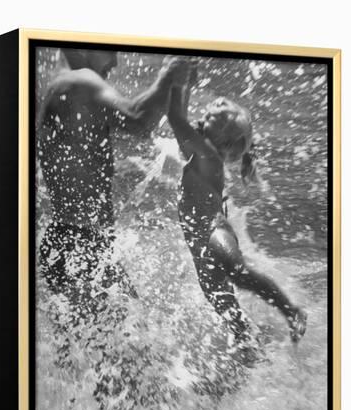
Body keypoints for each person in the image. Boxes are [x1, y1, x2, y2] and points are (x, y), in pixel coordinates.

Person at [37, 49, 188, 316]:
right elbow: (139, 120)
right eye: (110, 52)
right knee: (126, 344)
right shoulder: (81, 81)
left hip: (70, 242)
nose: (115, 62)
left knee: (90, 349)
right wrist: (168, 74)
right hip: (79, 247)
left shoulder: (61, 83)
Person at [167, 75, 307, 345]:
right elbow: (181, 119)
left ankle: (291, 310)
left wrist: (176, 79)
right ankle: (250, 347)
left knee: (237, 272)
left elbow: (176, 119)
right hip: (200, 247)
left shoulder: (206, 155)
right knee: (227, 309)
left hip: (213, 231)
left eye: (205, 121)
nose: (197, 123)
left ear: (220, 142)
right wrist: (184, 84)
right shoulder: (204, 154)